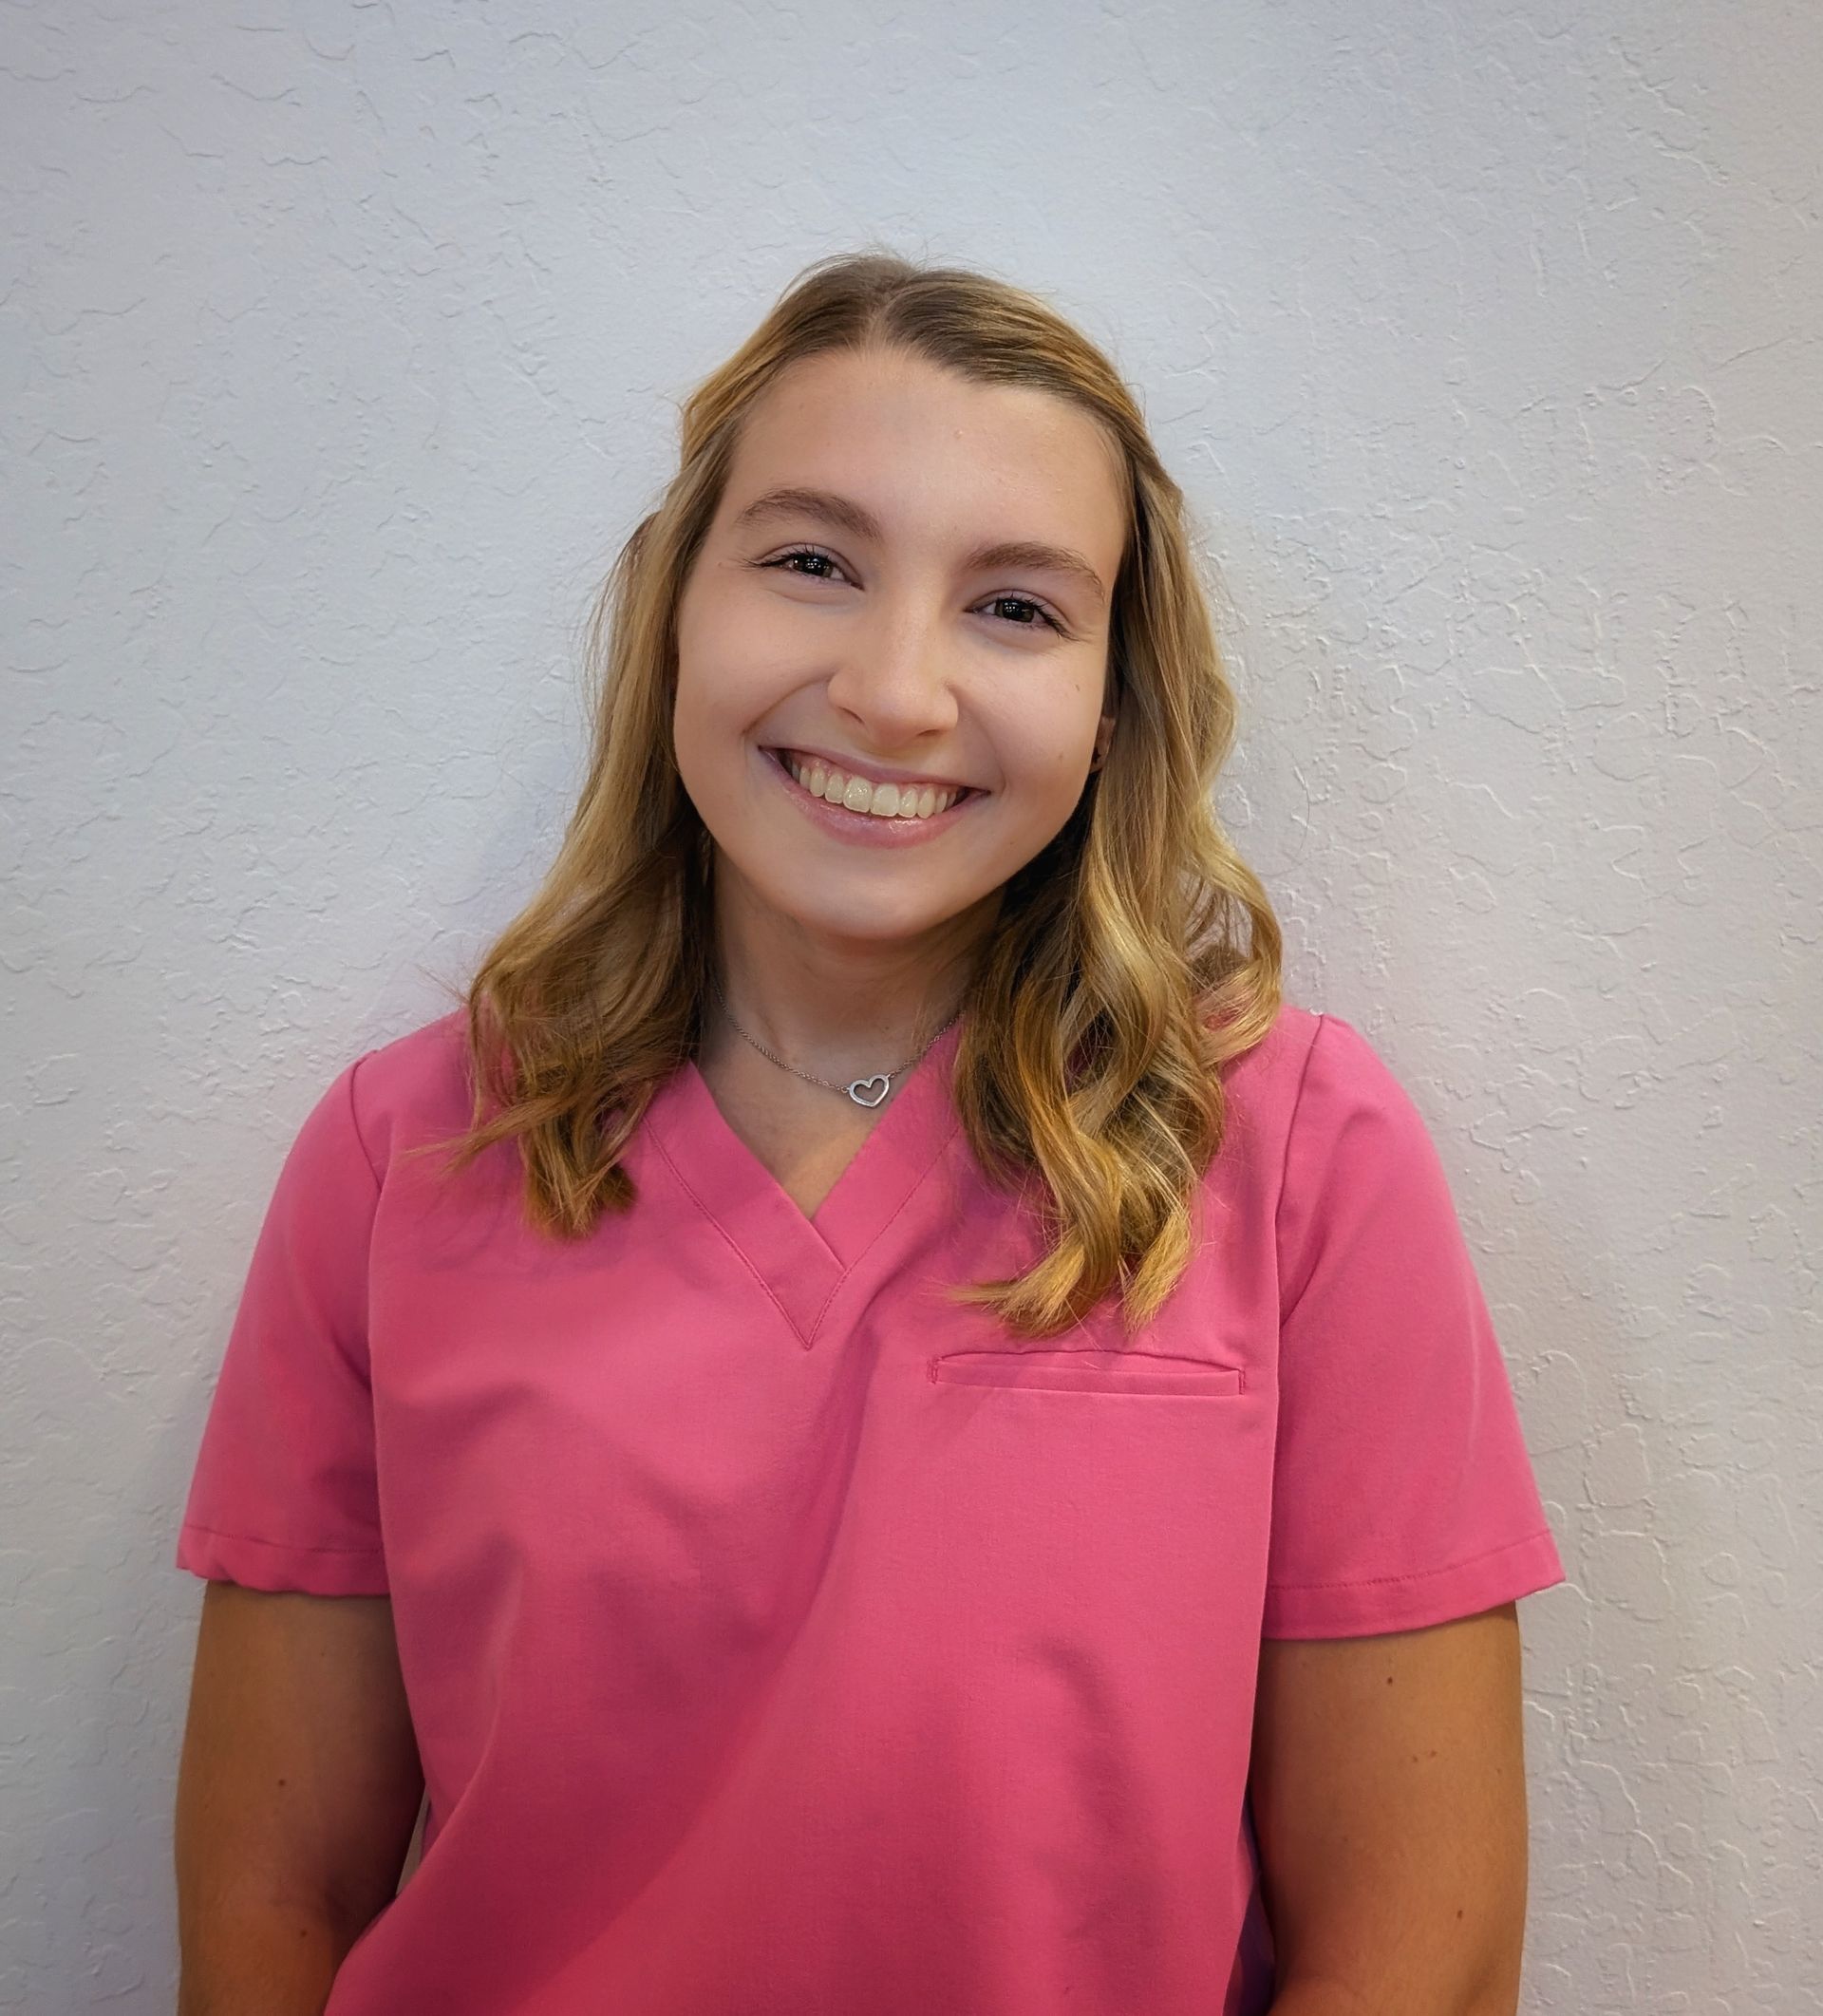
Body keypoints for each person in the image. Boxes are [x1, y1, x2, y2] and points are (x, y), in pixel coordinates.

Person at [172, 249, 1568, 2016]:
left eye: (1016, 609)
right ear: (679, 609)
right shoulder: (406, 1158)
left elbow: (1423, 1955)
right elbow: (266, 1907)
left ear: (1113, 703)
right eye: (814, 563)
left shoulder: (1298, 1159)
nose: (896, 693)